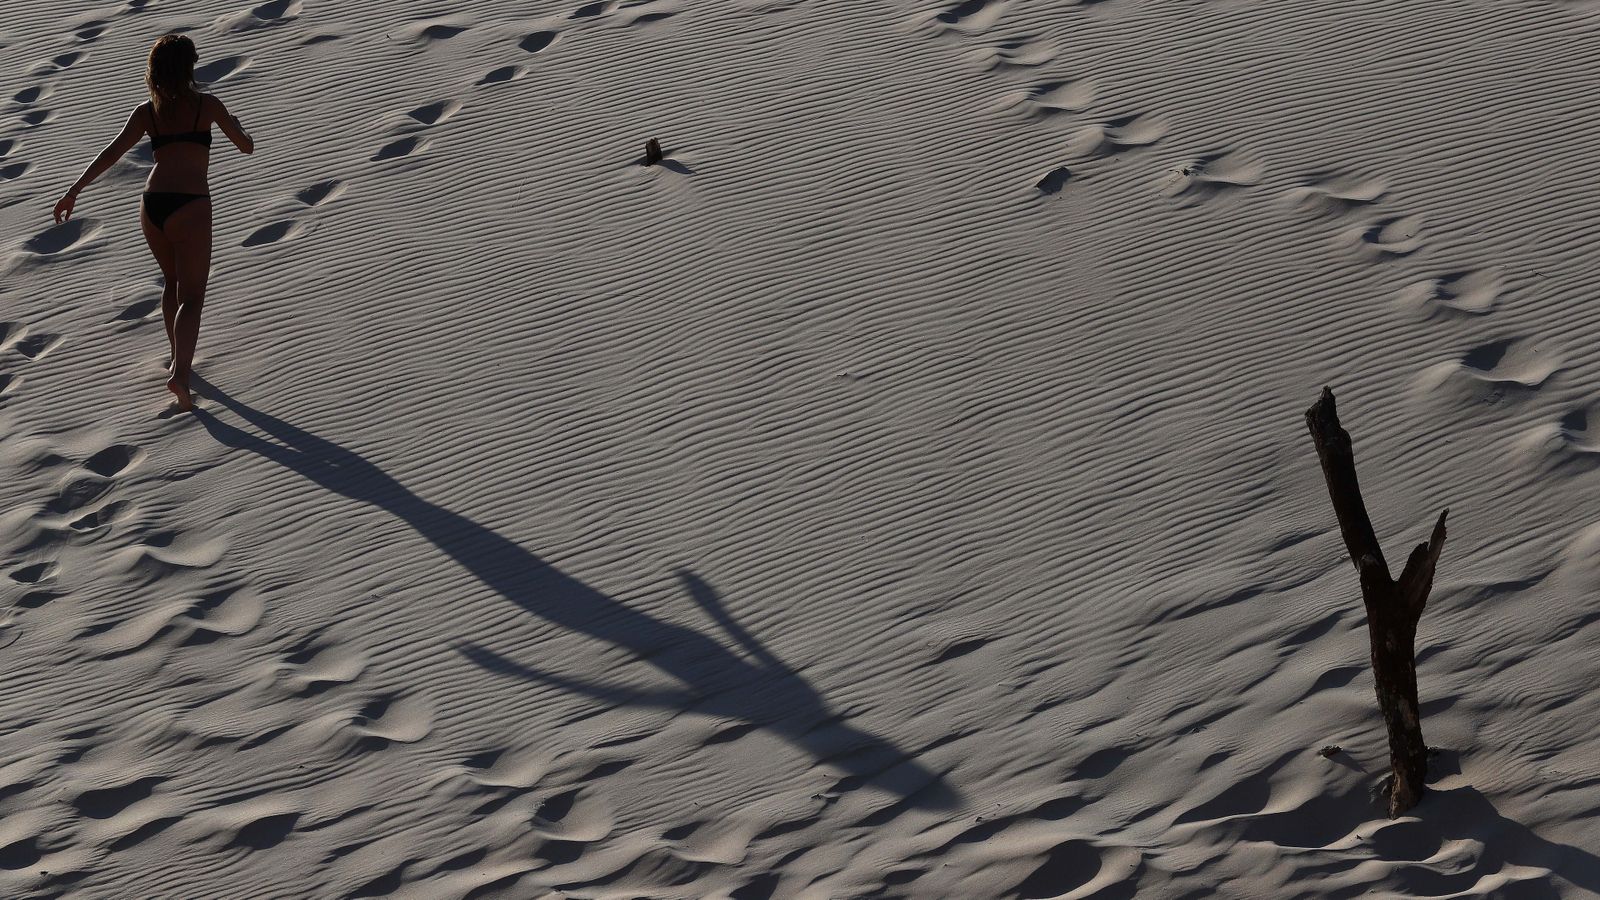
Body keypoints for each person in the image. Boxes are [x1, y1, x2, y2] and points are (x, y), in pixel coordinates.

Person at [54, 33, 254, 411]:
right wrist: (239, 125)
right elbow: (246, 147)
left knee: (172, 283)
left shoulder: (148, 112)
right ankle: (180, 373)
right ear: (189, 67)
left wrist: (74, 190)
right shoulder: (207, 106)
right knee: (192, 296)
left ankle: (177, 356)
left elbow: (111, 152)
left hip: (152, 206)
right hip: (191, 204)